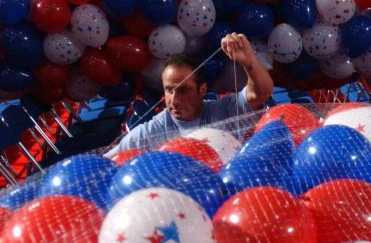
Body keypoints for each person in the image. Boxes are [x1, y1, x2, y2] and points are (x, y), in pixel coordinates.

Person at [104, 33, 274, 157]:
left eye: (183, 90)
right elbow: (107, 162)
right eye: (169, 90)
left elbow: (261, 92)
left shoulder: (224, 110)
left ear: (202, 90)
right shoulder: (151, 132)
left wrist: (249, 61)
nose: (174, 100)